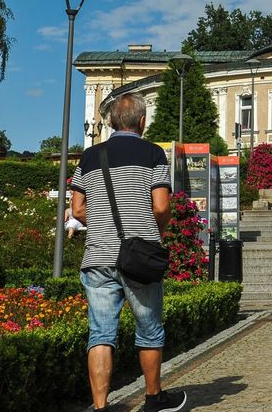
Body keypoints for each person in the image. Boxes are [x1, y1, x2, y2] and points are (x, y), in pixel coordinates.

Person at [70, 92, 188, 412]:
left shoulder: (90, 156)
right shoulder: (152, 153)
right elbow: (161, 206)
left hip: (97, 256)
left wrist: (102, 224)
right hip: (139, 257)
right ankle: (153, 398)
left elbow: (77, 209)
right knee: (149, 329)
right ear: (142, 121)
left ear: (110, 122)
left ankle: (100, 406)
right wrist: (152, 232)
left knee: (100, 334)